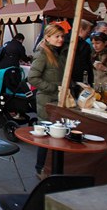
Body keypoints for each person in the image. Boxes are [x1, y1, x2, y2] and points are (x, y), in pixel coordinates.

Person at [27, 24, 67, 180]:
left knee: (57, 134)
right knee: (46, 133)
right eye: (57, 36)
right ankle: (40, 168)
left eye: (62, 36)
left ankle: (52, 168)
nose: (60, 39)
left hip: (58, 100)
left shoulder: (59, 53)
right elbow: (32, 77)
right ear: (47, 37)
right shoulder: (43, 53)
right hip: (47, 100)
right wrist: (53, 88)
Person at [66, 19, 93, 97]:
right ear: (80, 29)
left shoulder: (86, 45)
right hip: (70, 82)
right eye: (87, 32)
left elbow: (88, 66)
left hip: (80, 83)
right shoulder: (65, 42)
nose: (88, 35)